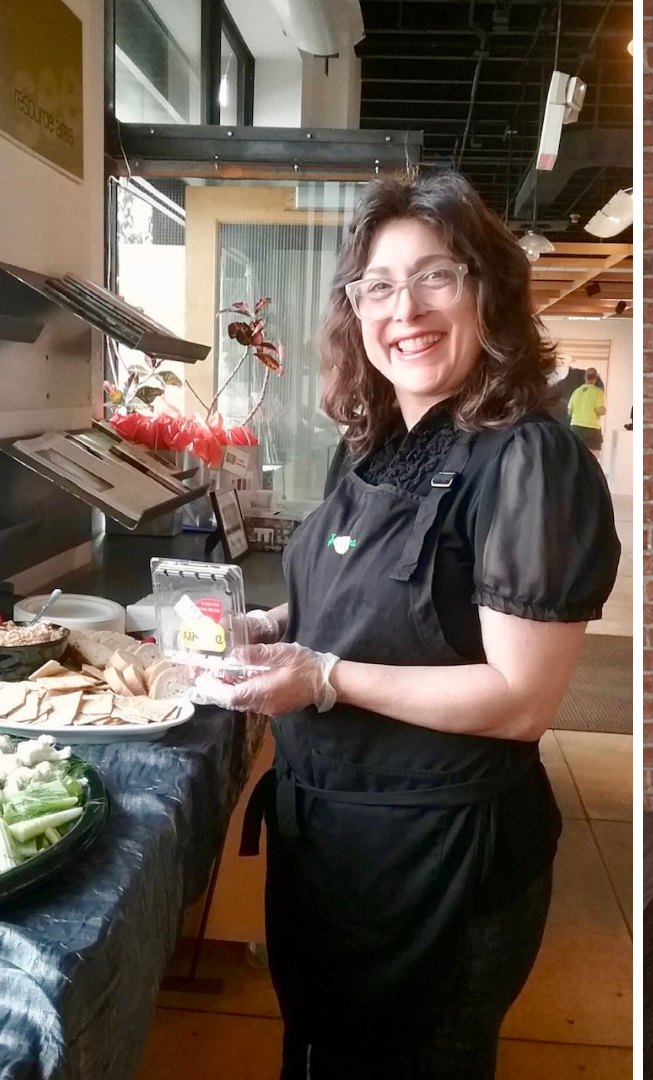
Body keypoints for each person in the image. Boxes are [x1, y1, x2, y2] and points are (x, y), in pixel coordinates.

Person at [188, 171, 619, 1077]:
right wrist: (268, 625)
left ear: (488, 291)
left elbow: (518, 699)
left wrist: (325, 678)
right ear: (355, 312)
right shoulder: (379, 444)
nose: (405, 310)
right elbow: (350, 604)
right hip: (333, 848)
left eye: (436, 277)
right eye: (378, 286)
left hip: (440, 861)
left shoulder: (529, 462)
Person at [568, 367, 607, 455]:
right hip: (591, 428)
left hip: (576, 427)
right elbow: (601, 411)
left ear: (585, 377)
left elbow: (569, 412)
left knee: (576, 454)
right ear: (596, 378)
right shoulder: (598, 392)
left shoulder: (576, 392)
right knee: (593, 456)